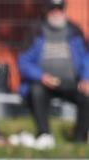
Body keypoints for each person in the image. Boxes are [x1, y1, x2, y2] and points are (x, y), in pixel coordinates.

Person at [17, 0, 89, 148]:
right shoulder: (35, 31)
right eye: (52, 10)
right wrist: (41, 76)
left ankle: (79, 139)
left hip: (72, 81)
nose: (56, 14)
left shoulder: (75, 31)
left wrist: (86, 78)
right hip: (44, 82)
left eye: (59, 10)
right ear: (46, 12)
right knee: (35, 90)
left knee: (87, 95)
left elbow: (86, 58)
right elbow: (23, 61)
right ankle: (45, 135)